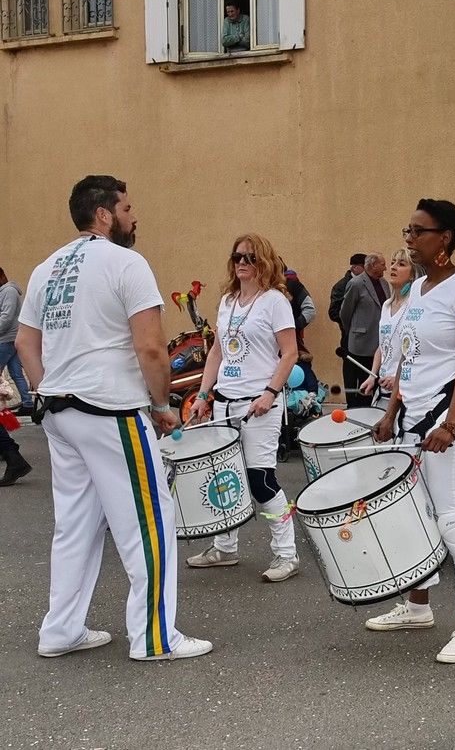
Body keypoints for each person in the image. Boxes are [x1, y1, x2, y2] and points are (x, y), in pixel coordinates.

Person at [15, 174, 211, 660]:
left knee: (75, 525)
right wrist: (161, 406)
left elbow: (24, 343)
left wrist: (47, 391)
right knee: (149, 521)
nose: (134, 216)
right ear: (104, 214)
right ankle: (154, 638)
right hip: (110, 410)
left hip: (60, 411)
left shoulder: (45, 268)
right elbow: (151, 347)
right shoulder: (127, 263)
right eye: (127, 208)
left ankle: (60, 630)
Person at [368, 200, 455, 663]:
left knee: (452, 517)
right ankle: (418, 607)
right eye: (408, 229)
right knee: (414, 515)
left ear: (444, 238)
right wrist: (390, 412)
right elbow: (407, 358)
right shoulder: (417, 288)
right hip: (411, 414)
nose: (409, 238)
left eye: (418, 231)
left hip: (449, 416)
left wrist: (451, 424)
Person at [186, 233, 300, 583]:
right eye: (237, 257)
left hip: (258, 406)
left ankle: (287, 553)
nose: (242, 263)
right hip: (225, 401)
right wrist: (203, 396)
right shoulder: (227, 301)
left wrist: (269, 392)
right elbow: (217, 352)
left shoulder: (274, 301)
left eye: (250, 257)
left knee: (260, 480)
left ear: (263, 261)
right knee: (225, 478)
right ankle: (225, 547)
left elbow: (290, 353)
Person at [360, 248, 416, 408]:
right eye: (392, 263)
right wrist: (372, 376)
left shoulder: (414, 306)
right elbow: (382, 345)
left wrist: (399, 379)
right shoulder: (386, 305)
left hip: (405, 393)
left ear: (412, 275)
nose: (393, 267)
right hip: (382, 391)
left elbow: (418, 351)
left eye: (401, 264)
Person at [340, 253, 390, 407]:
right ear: (373, 265)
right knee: (359, 384)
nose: (386, 268)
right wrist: (353, 331)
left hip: (379, 343)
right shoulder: (356, 284)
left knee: (373, 382)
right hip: (360, 344)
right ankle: (356, 410)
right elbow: (345, 312)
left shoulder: (384, 283)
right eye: (383, 264)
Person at [0, 267, 33, 417]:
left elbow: (6, 316)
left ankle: (5, 408)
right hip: (10, 338)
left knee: (15, 373)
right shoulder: (5, 291)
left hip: (6, 338)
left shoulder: (9, 291)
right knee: (16, 373)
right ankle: (28, 404)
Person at [330, 253, 366, 388]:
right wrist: (352, 323)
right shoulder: (341, 286)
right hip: (349, 338)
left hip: (366, 340)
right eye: (365, 267)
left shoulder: (368, 283)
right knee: (351, 376)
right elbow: (333, 313)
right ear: (355, 268)